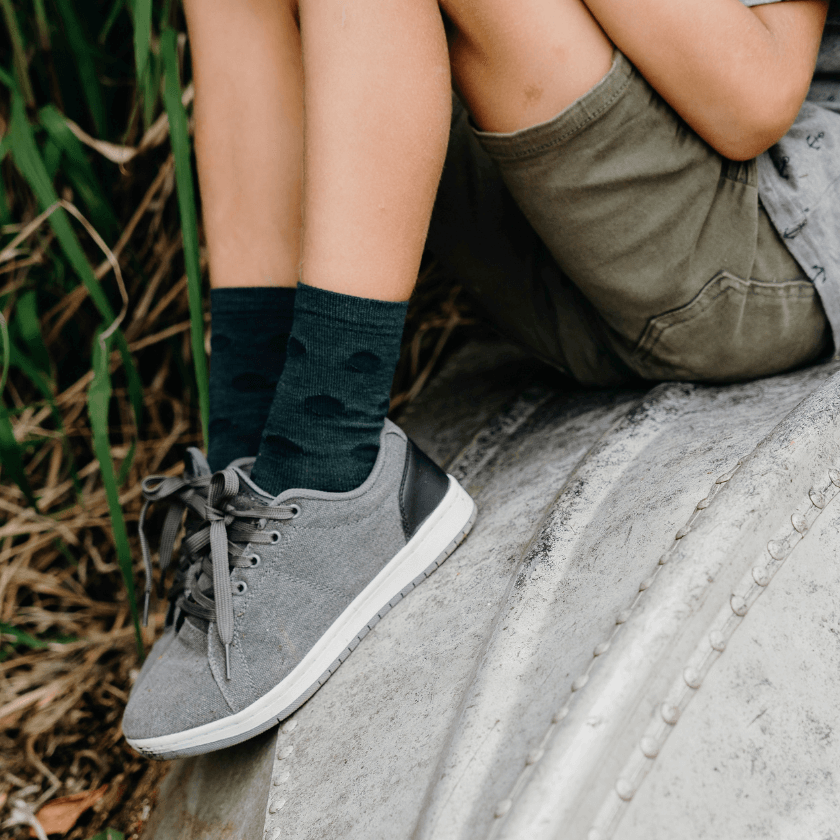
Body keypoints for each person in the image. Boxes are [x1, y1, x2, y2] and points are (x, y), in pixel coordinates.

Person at [123, 0, 839, 759]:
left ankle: (329, 460)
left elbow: (753, 96)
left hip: (757, 246)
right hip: (561, 247)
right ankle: (254, 480)